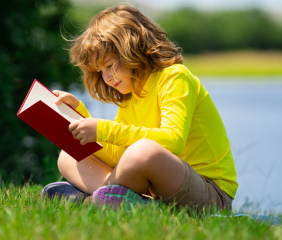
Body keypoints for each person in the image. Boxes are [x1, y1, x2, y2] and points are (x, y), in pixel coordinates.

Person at [41, 5, 238, 211]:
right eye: (100, 72)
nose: (106, 77)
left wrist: (102, 129)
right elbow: (120, 156)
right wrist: (81, 119)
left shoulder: (174, 77)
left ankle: (92, 201)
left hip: (210, 193)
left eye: (109, 65)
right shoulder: (131, 94)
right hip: (159, 191)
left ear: (132, 49)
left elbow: (172, 142)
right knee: (69, 154)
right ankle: (119, 199)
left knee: (144, 151)